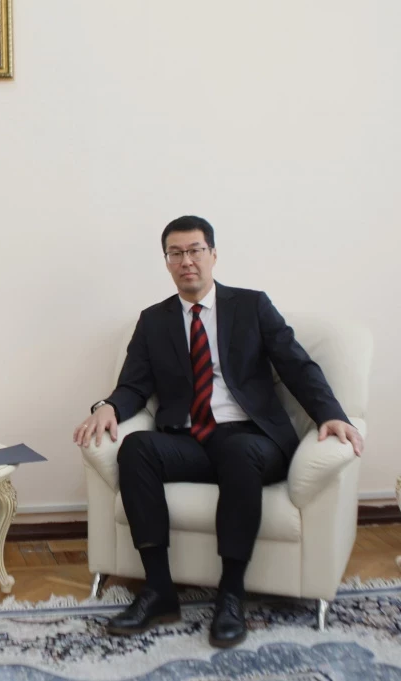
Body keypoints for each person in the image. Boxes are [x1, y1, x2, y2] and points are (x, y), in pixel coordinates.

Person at [72, 216, 362, 648]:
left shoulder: (252, 306)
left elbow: (297, 365)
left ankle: (231, 593)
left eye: (195, 250)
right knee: (135, 448)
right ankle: (158, 589)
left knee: (239, 452)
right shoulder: (153, 321)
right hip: (190, 439)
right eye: (176, 253)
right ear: (167, 262)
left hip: (252, 438)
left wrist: (331, 415)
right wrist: (108, 407)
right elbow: (133, 385)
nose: (186, 261)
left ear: (212, 255)